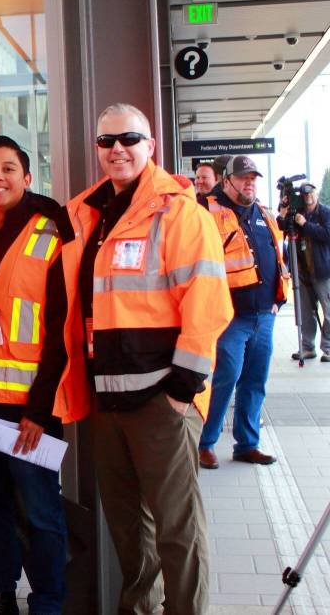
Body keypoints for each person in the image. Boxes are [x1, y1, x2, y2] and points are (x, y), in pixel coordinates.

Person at [60, 104, 232, 614]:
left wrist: (181, 391)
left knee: (178, 530)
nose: (117, 149)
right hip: (107, 399)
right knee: (129, 529)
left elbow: (207, 303)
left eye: (129, 138)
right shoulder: (86, 214)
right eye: (106, 141)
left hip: (162, 398)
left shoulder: (181, 214)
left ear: (150, 145)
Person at [0, 135, 86, 615]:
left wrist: (39, 409)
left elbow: (62, 328)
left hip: (28, 410)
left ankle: (49, 601)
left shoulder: (52, 232)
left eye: (9, 168)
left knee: (40, 512)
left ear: (27, 178)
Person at [199, 156, 288, 469]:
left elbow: (278, 257)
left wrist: (279, 302)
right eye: (243, 177)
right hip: (230, 318)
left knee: (254, 381)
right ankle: (205, 442)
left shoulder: (263, 214)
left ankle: (247, 444)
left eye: (253, 177)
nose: (249, 182)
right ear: (227, 180)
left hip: (264, 315)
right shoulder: (207, 211)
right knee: (225, 378)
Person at [278, 182, 330, 361]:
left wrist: (305, 224)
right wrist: (284, 208)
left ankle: (328, 348)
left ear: (315, 194)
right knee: (306, 312)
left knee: (328, 310)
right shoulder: (296, 212)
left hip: (322, 270)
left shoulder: (325, 213)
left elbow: (327, 234)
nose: (307, 196)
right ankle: (308, 347)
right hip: (302, 270)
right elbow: (281, 227)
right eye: (304, 194)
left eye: (310, 193)